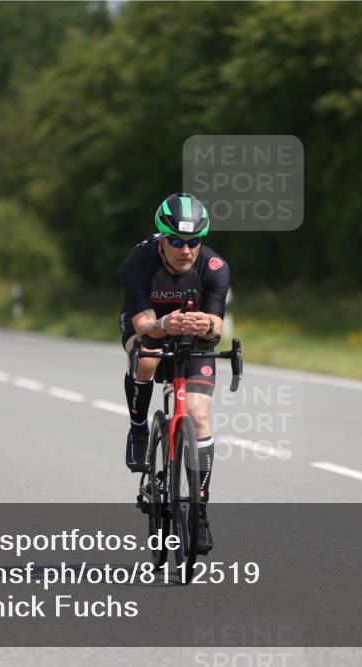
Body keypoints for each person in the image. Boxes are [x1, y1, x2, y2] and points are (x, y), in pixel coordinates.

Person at [119, 193, 230, 553]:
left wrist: (206, 324)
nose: (186, 250)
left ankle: (198, 511)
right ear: (162, 239)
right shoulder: (138, 263)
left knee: (198, 416)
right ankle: (138, 430)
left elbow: (217, 326)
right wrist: (164, 322)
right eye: (178, 242)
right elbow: (141, 322)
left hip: (192, 336)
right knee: (147, 358)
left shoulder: (215, 268)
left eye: (194, 242)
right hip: (152, 323)